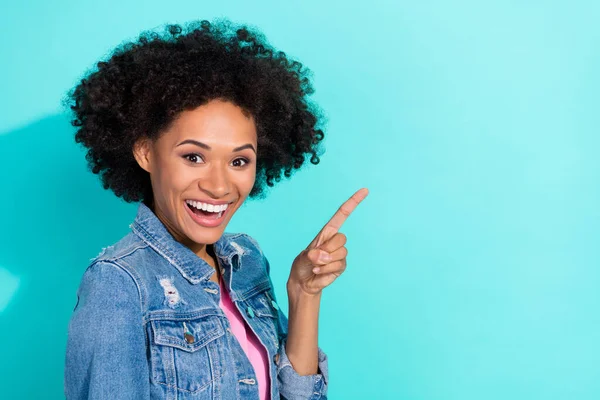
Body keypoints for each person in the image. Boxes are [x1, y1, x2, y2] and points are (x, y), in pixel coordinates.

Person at [63, 19, 368, 400]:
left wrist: (304, 294)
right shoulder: (119, 283)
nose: (220, 186)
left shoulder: (246, 259)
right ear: (144, 152)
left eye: (239, 161)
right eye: (194, 157)